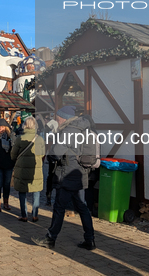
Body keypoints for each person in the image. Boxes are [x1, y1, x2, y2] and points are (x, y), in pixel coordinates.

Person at [32, 107, 96, 251]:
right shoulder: (83, 129)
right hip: (80, 174)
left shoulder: (68, 131)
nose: (56, 120)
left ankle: (50, 238)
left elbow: (55, 154)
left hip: (67, 175)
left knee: (59, 207)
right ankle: (90, 239)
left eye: (58, 117)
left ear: (64, 118)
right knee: (83, 207)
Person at [12, 117, 45, 222]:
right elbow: (43, 154)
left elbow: (13, 155)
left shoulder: (20, 138)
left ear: (24, 125)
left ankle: (24, 215)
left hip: (22, 169)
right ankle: (35, 215)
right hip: (36, 169)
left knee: (22, 191)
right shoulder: (40, 139)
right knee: (36, 191)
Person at [44, 107, 72, 206]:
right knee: (52, 176)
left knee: (53, 176)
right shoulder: (57, 124)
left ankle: (51, 196)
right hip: (55, 153)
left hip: (59, 155)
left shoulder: (66, 128)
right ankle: (49, 196)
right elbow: (46, 130)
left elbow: (46, 130)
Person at [0, 118, 15, 212]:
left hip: (9, 163)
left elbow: (14, 148)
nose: (1, 129)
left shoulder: (11, 137)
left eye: (3, 126)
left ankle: (6, 202)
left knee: (7, 184)